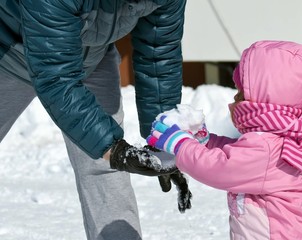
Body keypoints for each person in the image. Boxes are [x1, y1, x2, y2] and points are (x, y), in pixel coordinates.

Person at [0, 1, 191, 239]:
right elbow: (57, 79)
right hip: (9, 53)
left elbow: (158, 51)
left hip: (92, 56)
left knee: (106, 166)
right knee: (110, 151)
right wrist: (113, 150)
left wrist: (164, 142)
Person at [147, 40, 302, 239]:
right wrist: (206, 142)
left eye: (241, 93)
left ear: (263, 100)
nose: (235, 99)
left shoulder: (265, 147)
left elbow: (222, 169)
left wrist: (181, 145)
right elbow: (238, 153)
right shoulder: (273, 140)